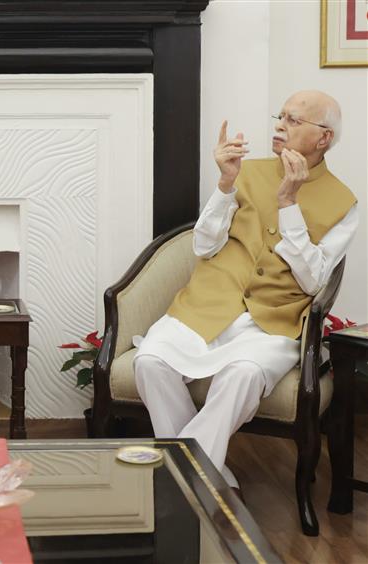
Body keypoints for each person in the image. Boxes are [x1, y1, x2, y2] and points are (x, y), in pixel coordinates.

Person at [133, 90, 358, 489]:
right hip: (206, 306)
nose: (279, 126)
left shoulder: (344, 203)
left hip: (271, 324)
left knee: (242, 375)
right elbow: (203, 246)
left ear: (323, 138)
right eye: (281, 116)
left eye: (292, 120)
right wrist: (224, 184)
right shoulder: (245, 172)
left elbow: (313, 281)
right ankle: (208, 474)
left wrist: (289, 203)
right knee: (149, 362)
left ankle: (180, 478)